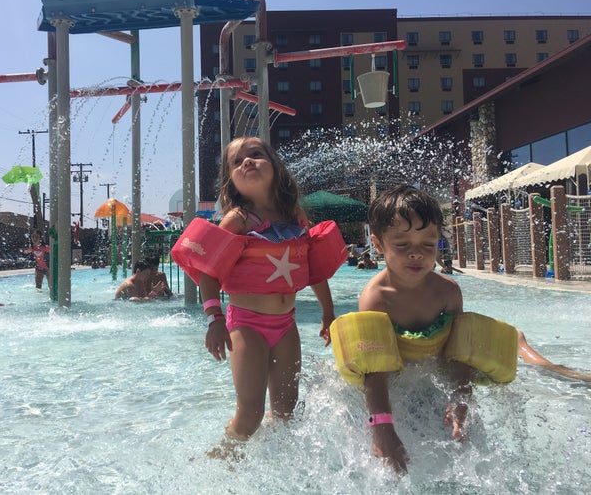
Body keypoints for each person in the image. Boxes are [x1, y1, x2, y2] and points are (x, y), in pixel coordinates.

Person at [330, 185, 586, 475]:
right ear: (378, 244)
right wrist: (382, 426)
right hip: (399, 375)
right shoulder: (376, 298)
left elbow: (461, 351)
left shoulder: (447, 292)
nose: (416, 254)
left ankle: (526, 347)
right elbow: (374, 369)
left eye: (428, 244)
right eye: (402, 245)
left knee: (538, 373)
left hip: (434, 368)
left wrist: (460, 397)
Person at [170, 136, 347, 454]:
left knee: (285, 411)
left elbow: (313, 269)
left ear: (276, 168)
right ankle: (222, 458)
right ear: (232, 182)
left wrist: (328, 313)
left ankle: (267, 460)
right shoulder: (238, 219)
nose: (247, 162)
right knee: (250, 413)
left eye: (255, 155)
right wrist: (214, 319)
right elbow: (208, 271)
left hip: (286, 325)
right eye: (237, 162)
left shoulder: (294, 218)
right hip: (247, 324)